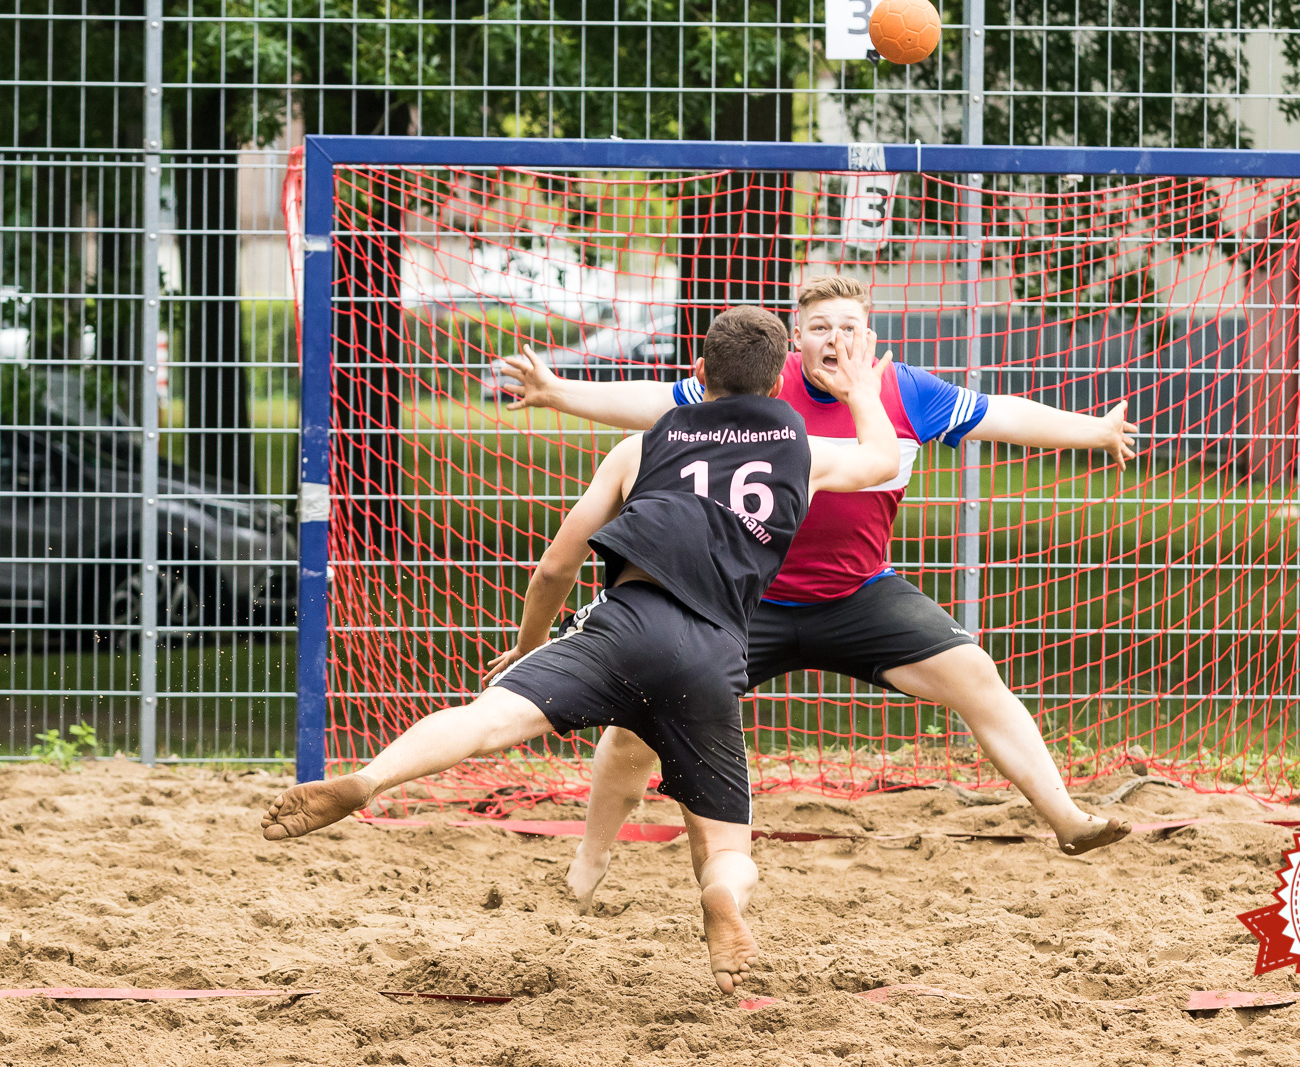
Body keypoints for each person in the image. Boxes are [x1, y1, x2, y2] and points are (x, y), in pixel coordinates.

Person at [261, 306, 901, 996]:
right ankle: (721, 894)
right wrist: (860, 387)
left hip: (624, 623)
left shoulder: (642, 447)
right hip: (712, 652)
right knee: (728, 848)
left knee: (486, 720)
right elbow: (882, 458)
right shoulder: (799, 452)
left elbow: (553, 568)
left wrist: (527, 648)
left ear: (697, 373)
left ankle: (372, 779)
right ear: (778, 385)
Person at [497, 275, 1140, 914]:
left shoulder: (904, 390)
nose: (836, 340)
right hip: (741, 603)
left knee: (973, 672)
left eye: (850, 328)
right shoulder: (756, 391)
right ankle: (589, 863)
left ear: (871, 337)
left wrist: (1095, 431)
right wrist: (558, 392)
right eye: (821, 328)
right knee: (641, 712)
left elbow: (1003, 414)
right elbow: (652, 405)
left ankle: (1069, 820)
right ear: (794, 342)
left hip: (857, 594)